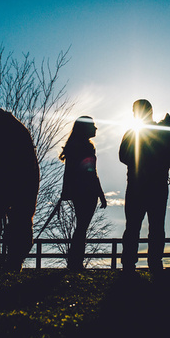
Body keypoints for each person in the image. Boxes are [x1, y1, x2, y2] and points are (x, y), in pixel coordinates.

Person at [119, 100, 170, 274]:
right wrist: (159, 164)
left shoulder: (132, 133)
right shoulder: (160, 133)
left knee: (135, 226)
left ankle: (131, 264)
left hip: (138, 185)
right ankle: (153, 262)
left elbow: (123, 156)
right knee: (154, 226)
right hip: (155, 185)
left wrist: (141, 163)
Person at [59, 116, 107, 271]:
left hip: (80, 190)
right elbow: (91, 171)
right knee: (82, 227)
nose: (95, 128)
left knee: (81, 227)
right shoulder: (84, 146)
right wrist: (100, 193)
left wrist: (67, 191)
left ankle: (75, 262)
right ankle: (76, 263)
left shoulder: (76, 145)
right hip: (86, 190)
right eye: (93, 125)